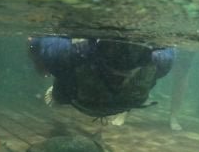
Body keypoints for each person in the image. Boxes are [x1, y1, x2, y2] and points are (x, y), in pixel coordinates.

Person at [28, 36, 175, 122]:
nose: (124, 55)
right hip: (128, 102)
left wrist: (41, 66)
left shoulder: (70, 53)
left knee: (60, 94)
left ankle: (58, 95)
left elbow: (33, 42)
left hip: (82, 101)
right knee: (60, 92)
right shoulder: (161, 60)